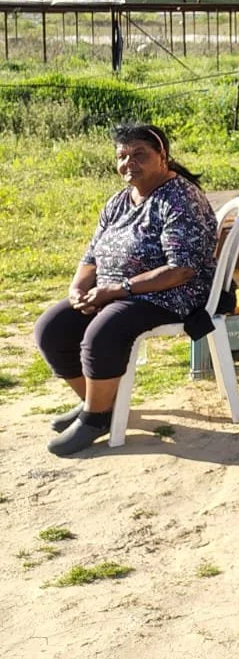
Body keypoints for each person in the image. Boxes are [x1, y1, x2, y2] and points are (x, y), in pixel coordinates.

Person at [32, 123, 217, 456]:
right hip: (116, 290)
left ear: (163, 156)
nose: (129, 163)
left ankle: (96, 418)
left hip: (172, 294)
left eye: (140, 155)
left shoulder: (180, 198)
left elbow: (181, 268)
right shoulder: (120, 201)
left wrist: (117, 290)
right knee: (52, 328)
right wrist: (78, 288)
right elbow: (92, 253)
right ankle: (100, 403)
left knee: (102, 333)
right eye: (122, 156)